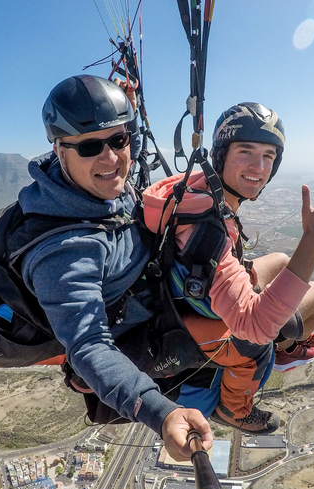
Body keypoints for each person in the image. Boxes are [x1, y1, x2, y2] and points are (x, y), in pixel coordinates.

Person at [18, 74, 211, 461]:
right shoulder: (64, 251)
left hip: (150, 294)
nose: (110, 158)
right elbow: (89, 344)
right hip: (132, 335)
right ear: (59, 150)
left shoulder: (97, 183)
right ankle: (234, 405)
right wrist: (160, 413)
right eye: (89, 146)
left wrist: (128, 109)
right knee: (233, 328)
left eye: (117, 140)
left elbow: (127, 151)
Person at [142, 102, 314, 434]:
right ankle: (234, 409)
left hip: (181, 292)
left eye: (268, 156)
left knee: (279, 261)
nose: (258, 166)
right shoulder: (206, 230)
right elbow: (252, 326)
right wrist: (313, 242)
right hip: (182, 323)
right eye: (246, 151)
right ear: (221, 155)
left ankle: (288, 345)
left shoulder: (197, 188)